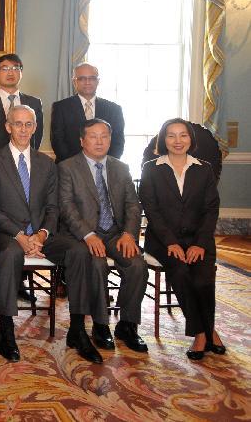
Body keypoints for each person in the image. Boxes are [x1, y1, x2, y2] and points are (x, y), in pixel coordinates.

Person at [0, 105, 94, 362]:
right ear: (8, 126)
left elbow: (53, 207)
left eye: (28, 124)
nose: (23, 129)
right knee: (10, 255)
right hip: (6, 233)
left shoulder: (47, 163)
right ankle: (7, 331)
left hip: (42, 234)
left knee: (78, 251)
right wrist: (20, 236)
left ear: (35, 127)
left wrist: (42, 234)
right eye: (18, 123)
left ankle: (78, 328)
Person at [58, 119, 148, 363]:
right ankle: (100, 325)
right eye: (93, 136)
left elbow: (133, 204)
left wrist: (130, 233)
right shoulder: (67, 167)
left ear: (111, 139)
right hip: (85, 233)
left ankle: (127, 325)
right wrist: (88, 235)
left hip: (117, 233)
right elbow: (66, 208)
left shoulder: (121, 167)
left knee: (137, 265)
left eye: (104, 136)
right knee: (96, 264)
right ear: (82, 140)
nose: (99, 141)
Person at [139, 119, 223, 360]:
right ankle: (201, 332)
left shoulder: (203, 168)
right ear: (163, 140)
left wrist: (199, 243)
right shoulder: (151, 168)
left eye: (183, 135)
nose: (177, 141)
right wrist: (171, 243)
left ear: (190, 139)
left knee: (203, 280)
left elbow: (211, 209)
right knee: (182, 273)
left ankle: (209, 329)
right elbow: (152, 210)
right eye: (171, 136)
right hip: (164, 241)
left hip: (199, 240)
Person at [51, 63, 125, 163]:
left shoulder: (114, 109)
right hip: (70, 169)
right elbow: (58, 141)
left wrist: (103, 165)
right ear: (74, 82)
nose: (87, 82)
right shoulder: (60, 107)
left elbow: (118, 142)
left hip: (106, 169)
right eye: (82, 78)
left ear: (98, 81)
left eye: (92, 78)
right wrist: (76, 167)